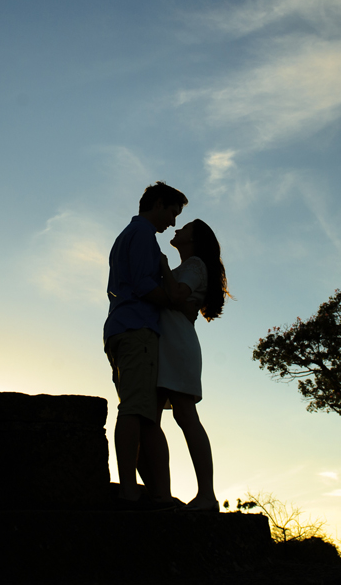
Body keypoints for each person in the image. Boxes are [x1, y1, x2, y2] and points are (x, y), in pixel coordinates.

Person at [103, 181, 188, 509]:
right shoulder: (141, 237)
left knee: (142, 410)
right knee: (136, 409)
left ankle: (150, 491)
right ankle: (128, 490)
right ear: (157, 203)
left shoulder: (130, 235)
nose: (173, 222)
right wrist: (172, 300)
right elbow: (141, 285)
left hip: (124, 328)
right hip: (135, 328)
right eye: (172, 212)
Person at [155, 218, 230, 512]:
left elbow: (177, 295)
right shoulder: (190, 267)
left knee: (186, 417)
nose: (177, 230)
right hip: (170, 345)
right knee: (160, 418)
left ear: (194, 240)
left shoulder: (195, 265)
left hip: (178, 346)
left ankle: (206, 495)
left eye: (184, 229)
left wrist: (160, 264)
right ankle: (161, 492)